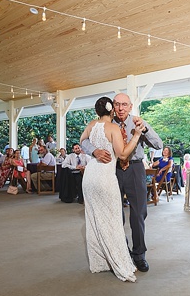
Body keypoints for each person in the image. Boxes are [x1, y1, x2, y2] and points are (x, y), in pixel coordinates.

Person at [81, 93, 163, 273]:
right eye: (117, 104)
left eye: (124, 105)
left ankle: (139, 254)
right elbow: (85, 140)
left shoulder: (138, 122)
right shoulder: (105, 124)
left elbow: (159, 145)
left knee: (138, 213)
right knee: (115, 213)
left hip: (135, 169)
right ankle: (121, 251)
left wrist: (145, 129)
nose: (120, 108)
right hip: (112, 170)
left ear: (130, 106)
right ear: (112, 107)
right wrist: (94, 151)